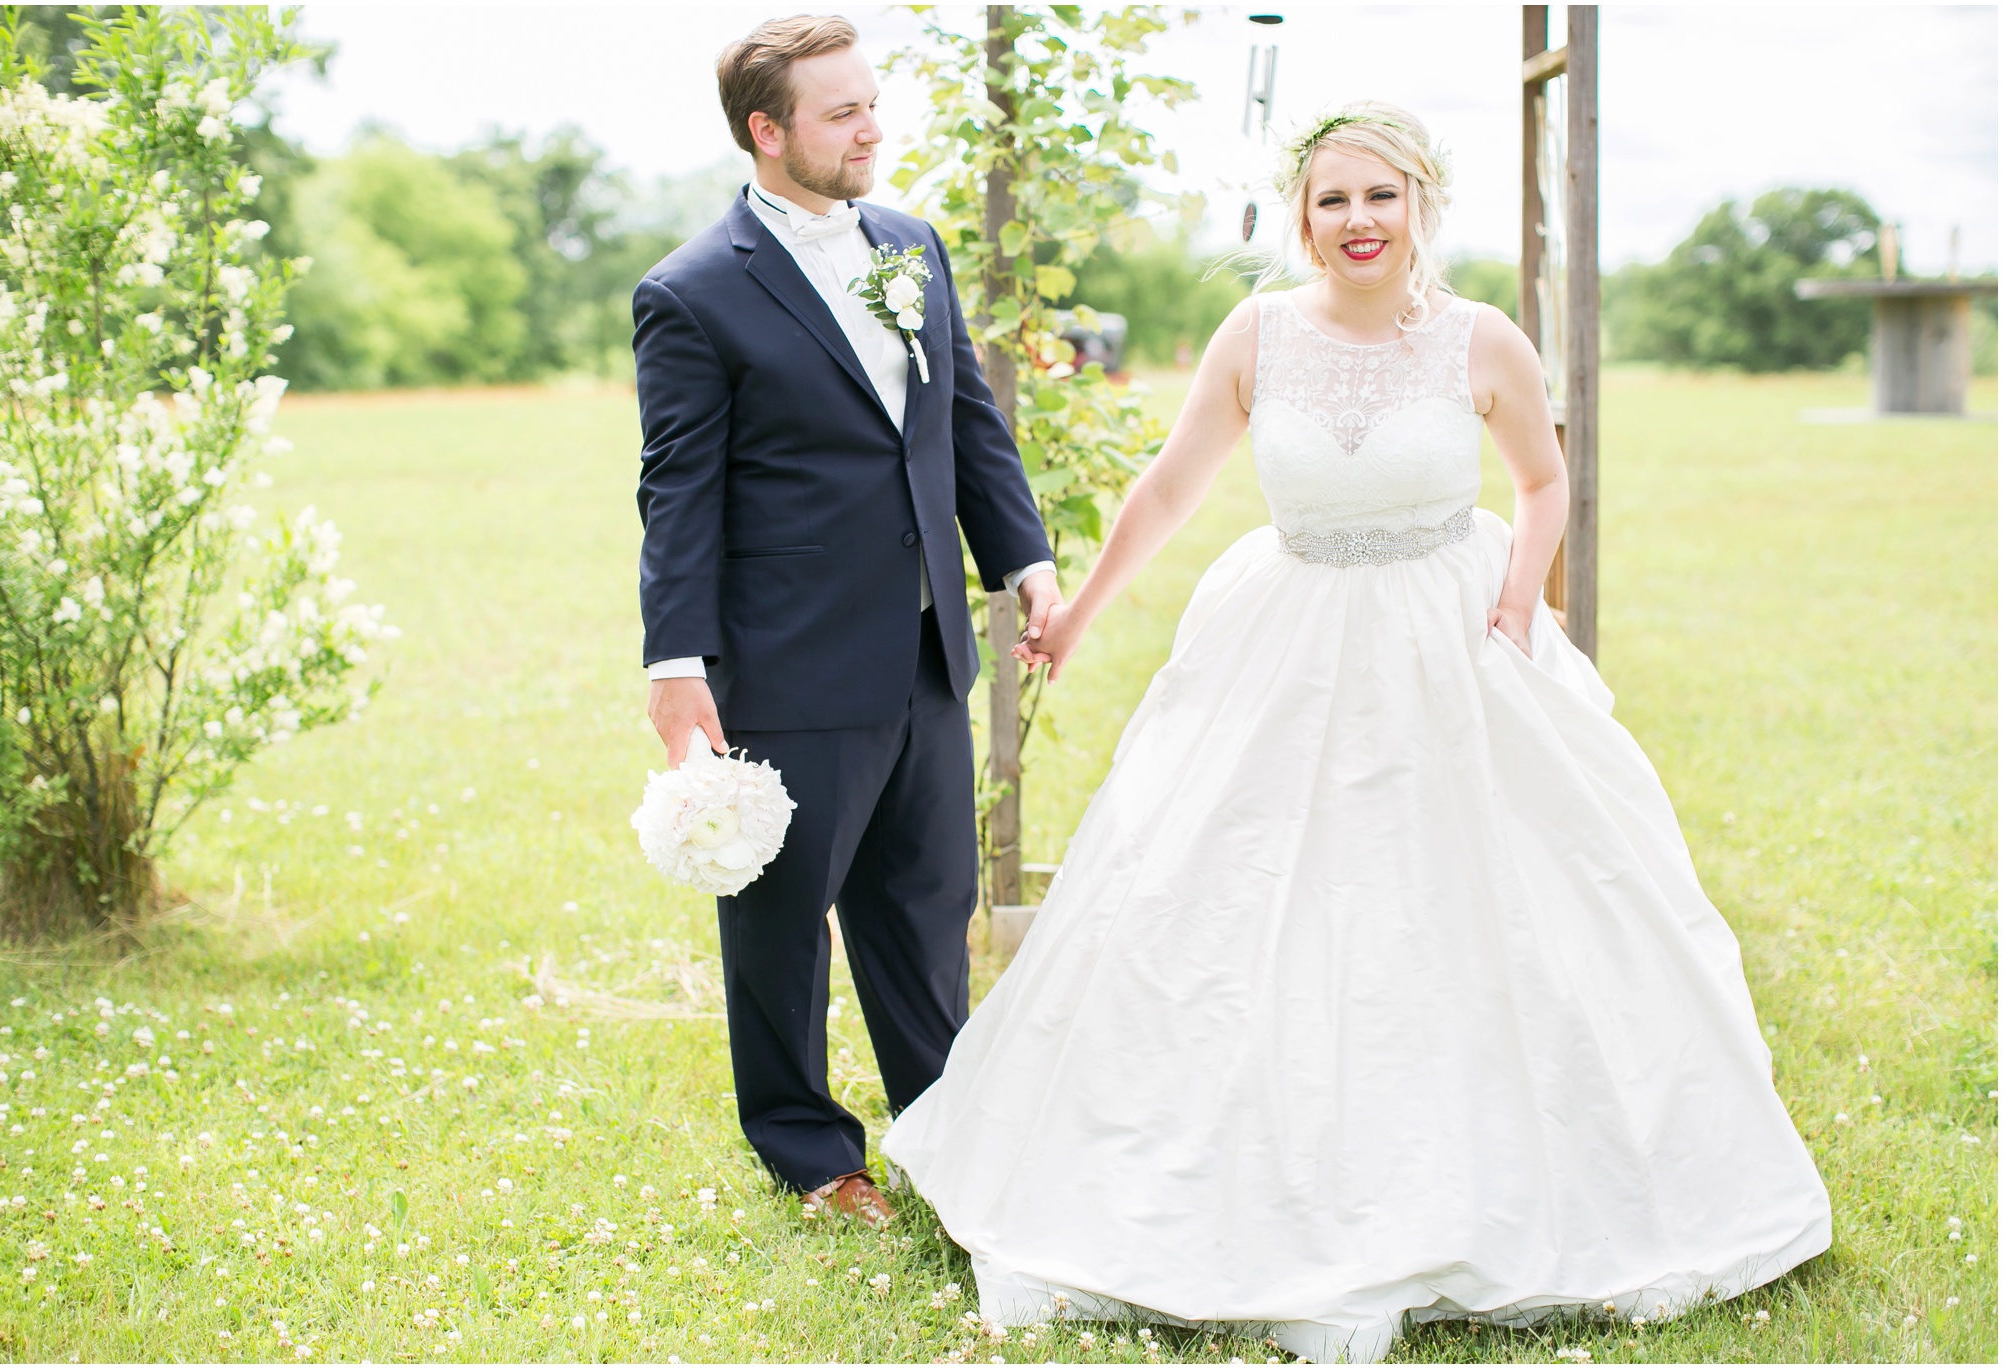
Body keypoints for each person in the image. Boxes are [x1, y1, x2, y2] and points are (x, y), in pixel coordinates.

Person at [880, 102, 1832, 1361]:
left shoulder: (1482, 341)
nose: (1355, 222)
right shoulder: (1255, 334)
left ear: (1419, 202)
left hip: (1450, 641)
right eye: (1330, 201)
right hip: (1285, 639)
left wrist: (1516, 596)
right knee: (1232, 900)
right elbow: (1172, 486)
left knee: (1468, 907)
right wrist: (1082, 613)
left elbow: (1542, 482)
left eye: (1377, 196)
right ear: (1301, 218)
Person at [632, 16, 1058, 1227]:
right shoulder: (691, 293)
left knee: (924, 907)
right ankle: (811, 1156)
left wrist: (1023, 562)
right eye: (841, 114)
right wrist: (676, 664)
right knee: (780, 918)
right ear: (767, 133)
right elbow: (676, 492)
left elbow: (967, 423)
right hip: (788, 655)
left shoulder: (909, 244)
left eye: (872, 105)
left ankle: (943, 1127)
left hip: (926, 653)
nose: (871, 129)